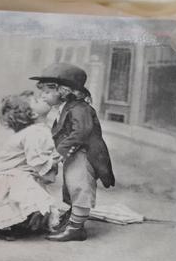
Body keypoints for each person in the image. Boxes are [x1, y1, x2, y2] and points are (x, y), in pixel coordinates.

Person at [31, 63, 115, 242]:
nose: (42, 96)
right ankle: (73, 220)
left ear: (63, 91)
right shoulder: (66, 107)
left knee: (80, 188)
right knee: (71, 187)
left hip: (85, 154)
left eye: (47, 91)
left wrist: (59, 152)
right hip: (75, 153)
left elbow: (81, 132)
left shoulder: (79, 108)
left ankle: (76, 229)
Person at [0, 91, 62, 240]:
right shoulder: (34, 132)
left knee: (28, 184)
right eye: (36, 100)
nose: (42, 97)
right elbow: (36, 161)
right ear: (33, 114)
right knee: (25, 186)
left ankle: (18, 221)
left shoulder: (38, 129)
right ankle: (2, 225)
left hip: (7, 176)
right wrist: (56, 159)